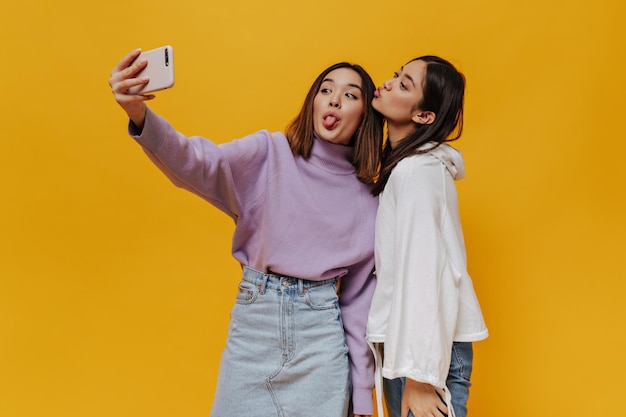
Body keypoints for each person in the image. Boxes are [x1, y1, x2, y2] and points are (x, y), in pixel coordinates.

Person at [108, 49, 384, 417]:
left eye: (350, 95)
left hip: (322, 338)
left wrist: (363, 393)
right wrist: (138, 114)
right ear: (313, 101)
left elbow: (359, 304)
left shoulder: (369, 200)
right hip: (255, 324)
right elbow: (196, 163)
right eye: (325, 89)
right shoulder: (271, 152)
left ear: (366, 115)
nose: (334, 98)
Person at [365, 56, 488, 417]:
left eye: (404, 84)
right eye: (395, 76)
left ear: (424, 116)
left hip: (422, 358)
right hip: (411, 349)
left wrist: (419, 379)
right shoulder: (410, 168)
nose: (388, 83)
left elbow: (425, 270)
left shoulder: (418, 171)